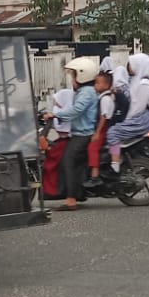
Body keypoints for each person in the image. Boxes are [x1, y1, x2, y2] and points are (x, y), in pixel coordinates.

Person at [49, 57, 99, 210]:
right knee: (72, 163)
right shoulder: (85, 91)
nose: (72, 79)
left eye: (74, 75)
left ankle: (71, 199)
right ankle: (77, 192)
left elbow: (77, 110)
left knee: (67, 161)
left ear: (83, 76)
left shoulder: (87, 92)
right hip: (79, 133)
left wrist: (57, 115)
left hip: (83, 134)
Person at [104, 52, 149, 175]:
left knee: (113, 132)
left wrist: (126, 119)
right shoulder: (136, 81)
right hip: (141, 117)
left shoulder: (144, 84)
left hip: (142, 119)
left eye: (132, 64)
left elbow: (137, 107)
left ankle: (115, 165)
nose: (129, 67)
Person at [40, 84, 73, 199]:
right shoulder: (60, 112)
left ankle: (54, 190)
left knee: (52, 161)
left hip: (66, 142)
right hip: (61, 141)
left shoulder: (67, 113)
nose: (56, 105)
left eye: (58, 102)